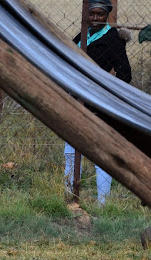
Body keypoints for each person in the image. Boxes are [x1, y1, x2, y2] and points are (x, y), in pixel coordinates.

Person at [64, 0, 132, 204]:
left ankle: (103, 202)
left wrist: (105, 93)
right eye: (91, 14)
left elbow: (125, 74)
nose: (95, 18)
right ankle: (69, 195)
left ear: (107, 15)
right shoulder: (83, 35)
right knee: (70, 146)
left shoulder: (112, 39)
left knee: (100, 150)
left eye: (100, 14)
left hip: (98, 103)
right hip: (77, 99)